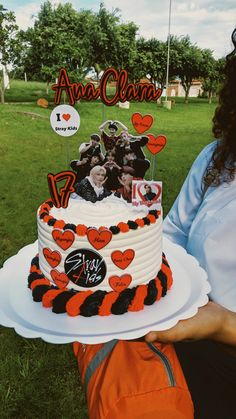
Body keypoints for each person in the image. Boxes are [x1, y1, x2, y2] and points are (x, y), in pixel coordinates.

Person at [145, 28, 236, 419]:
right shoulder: (219, 156)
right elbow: (176, 230)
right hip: (183, 326)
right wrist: (133, 246)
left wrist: (223, 326)